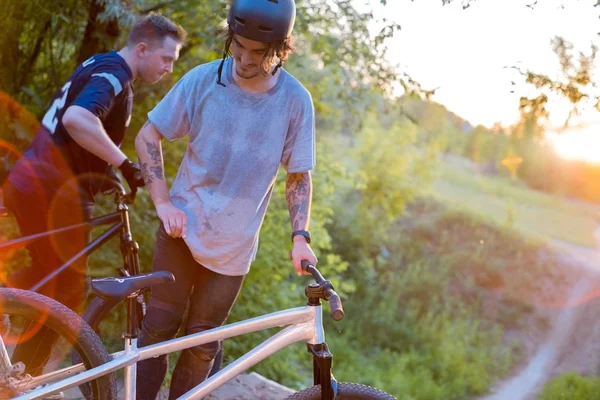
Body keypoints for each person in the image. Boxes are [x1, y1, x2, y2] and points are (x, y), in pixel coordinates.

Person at [133, 0, 317, 397]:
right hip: (180, 231)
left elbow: (298, 176)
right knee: (158, 333)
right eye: (239, 46)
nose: (244, 59)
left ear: (281, 50)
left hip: (232, 250)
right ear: (230, 35)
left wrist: (300, 236)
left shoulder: (295, 101)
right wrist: (163, 203)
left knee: (202, 346)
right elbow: (148, 136)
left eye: (258, 52)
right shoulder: (202, 80)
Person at [2, 13, 186, 375]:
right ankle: (24, 379)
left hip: (33, 180)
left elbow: (69, 138)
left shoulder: (98, 63)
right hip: (54, 192)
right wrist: (124, 165)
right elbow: (77, 119)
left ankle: (19, 367)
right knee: (65, 295)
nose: (168, 69)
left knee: (48, 276)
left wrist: (103, 175)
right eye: (166, 59)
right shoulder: (114, 76)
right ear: (143, 49)